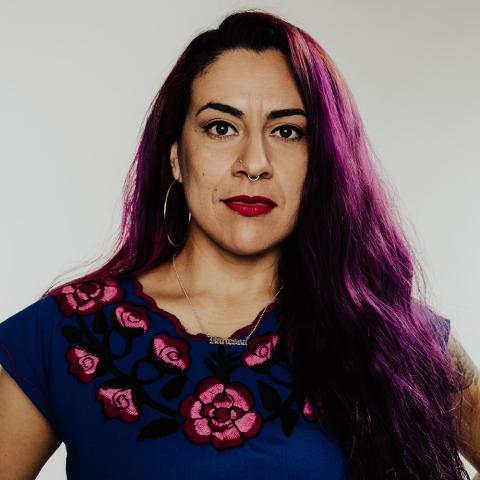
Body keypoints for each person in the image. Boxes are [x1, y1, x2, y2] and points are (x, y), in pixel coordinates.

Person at [1, 8, 479, 480]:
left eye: (287, 131)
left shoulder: (398, 338)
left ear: (322, 163)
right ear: (174, 155)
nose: (254, 162)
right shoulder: (65, 335)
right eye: (220, 127)